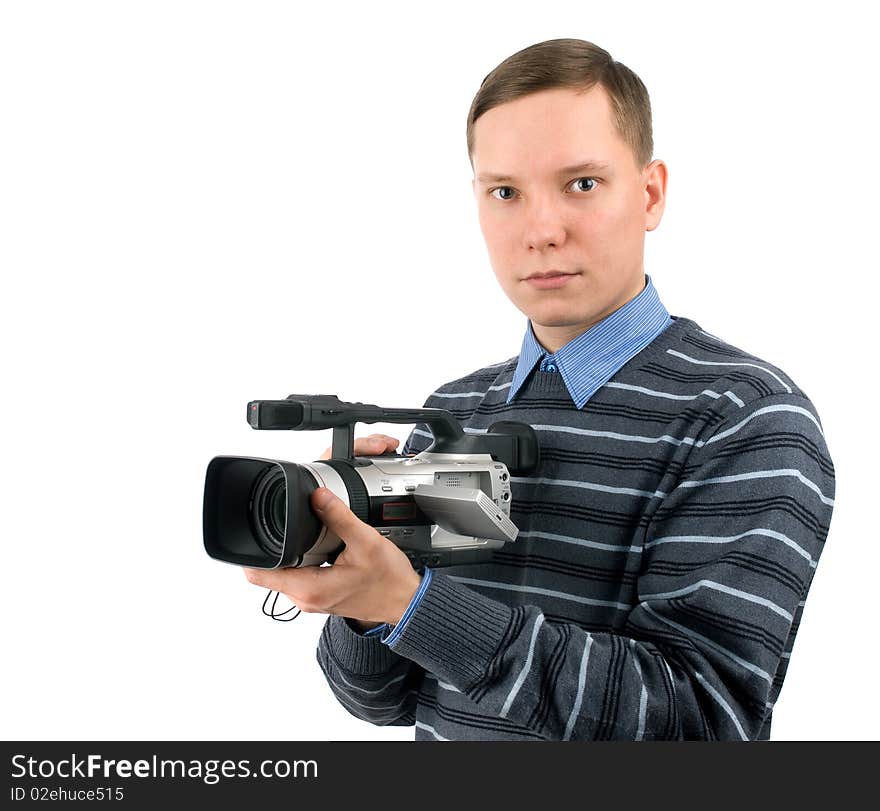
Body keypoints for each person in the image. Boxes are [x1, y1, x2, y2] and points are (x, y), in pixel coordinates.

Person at [243, 38, 835, 740]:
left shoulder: (745, 419)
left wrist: (414, 602)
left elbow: (702, 725)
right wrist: (359, 591)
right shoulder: (453, 412)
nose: (541, 230)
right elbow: (381, 702)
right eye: (506, 192)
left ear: (649, 193)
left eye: (581, 184)